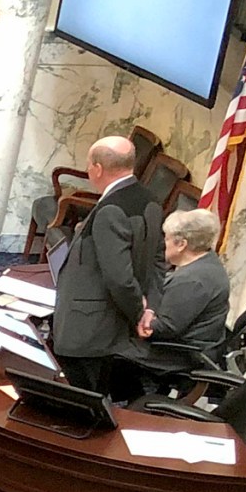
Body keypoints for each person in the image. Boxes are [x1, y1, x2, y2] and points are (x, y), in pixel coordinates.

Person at [50, 135, 165, 402]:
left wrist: (139, 312)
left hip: (89, 327)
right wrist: (151, 308)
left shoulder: (111, 210)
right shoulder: (151, 200)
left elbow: (119, 278)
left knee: (82, 400)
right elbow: (158, 261)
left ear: (98, 168)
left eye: (90, 165)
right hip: (115, 323)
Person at [131, 206, 231, 386]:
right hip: (188, 345)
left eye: (166, 238)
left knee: (104, 344)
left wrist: (133, 317)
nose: (162, 243)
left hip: (178, 356)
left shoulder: (193, 280)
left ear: (181, 244)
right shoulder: (206, 262)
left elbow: (164, 327)